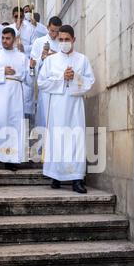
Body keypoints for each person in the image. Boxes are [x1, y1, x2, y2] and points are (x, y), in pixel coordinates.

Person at [38, 25, 95, 194]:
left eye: (66, 40)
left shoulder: (82, 60)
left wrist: (75, 78)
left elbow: (90, 81)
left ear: (73, 40)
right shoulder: (50, 61)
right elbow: (41, 82)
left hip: (75, 107)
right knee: (57, 140)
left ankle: (77, 179)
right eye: (60, 40)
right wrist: (61, 78)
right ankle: (56, 175)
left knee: (76, 140)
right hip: (56, 106)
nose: (63, 43)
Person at [0, 27, 30, 171]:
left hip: (16, 92)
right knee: (1, 121)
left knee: (15, 123)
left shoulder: (22, 57)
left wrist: (32, 68)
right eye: (3, 38)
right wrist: (3, 72)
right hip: (1, 92)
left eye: (8, 38)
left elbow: (28, 78)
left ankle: (13, 158)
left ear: (14, 39)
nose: (4, 41)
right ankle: (1, 155)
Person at [30, 16, 62, 127]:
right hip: (45, 82)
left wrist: (56, 56)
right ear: (48, 27)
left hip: (59, 83)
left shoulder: (62, 43)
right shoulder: (39, 42)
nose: (54, 34)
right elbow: (32, 63)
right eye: (52, 31)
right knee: (44, 115)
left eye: (57, 32)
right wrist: (43, 58)